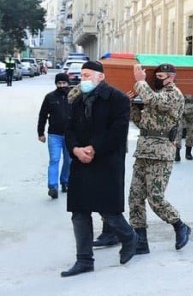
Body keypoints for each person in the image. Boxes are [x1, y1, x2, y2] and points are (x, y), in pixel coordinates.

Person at [61, 61, 137, 277]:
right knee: (79, 212)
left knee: (109, 212)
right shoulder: (77, 100)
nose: (83, 79)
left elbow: (118, 130)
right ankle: (84, 260)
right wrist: (75, 149)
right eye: (82, 75)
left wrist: (94, 149)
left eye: (87, 75)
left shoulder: (118, 99)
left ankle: (129, 237)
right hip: (81, 161)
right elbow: (69, 129)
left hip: (106, 161)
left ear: (100, 77)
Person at [128, 63, 191, 254]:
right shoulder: (153, 95)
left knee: (155, 197)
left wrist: (140, 82)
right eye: (156, 75)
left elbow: (157, 102)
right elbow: (140, 122)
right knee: (135, 197)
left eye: (161, 76)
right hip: (144, 150)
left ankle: (179, 225)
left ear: (171, 77)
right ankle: (140, 241)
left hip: (161, 152)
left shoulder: (174, 94)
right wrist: (131, 104)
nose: (157, 78)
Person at [37, 72, 72, 199]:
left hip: (70, 135)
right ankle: (52, 187)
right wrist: (40, 133)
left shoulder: (74, 97)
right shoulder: (50, 97)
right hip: (54, 135)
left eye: (64, 83)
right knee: (54, 160)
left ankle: (65, 181)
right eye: (59, 83)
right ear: (56, 84)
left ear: (68, 83)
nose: (62, 85)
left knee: (69, 160)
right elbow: (42, 116)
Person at [174, 95, 193, 161]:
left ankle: (188, 152)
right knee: (178, 130)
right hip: (180, 106)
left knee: (191, 131)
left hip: (192, 108)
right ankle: (177, 152)